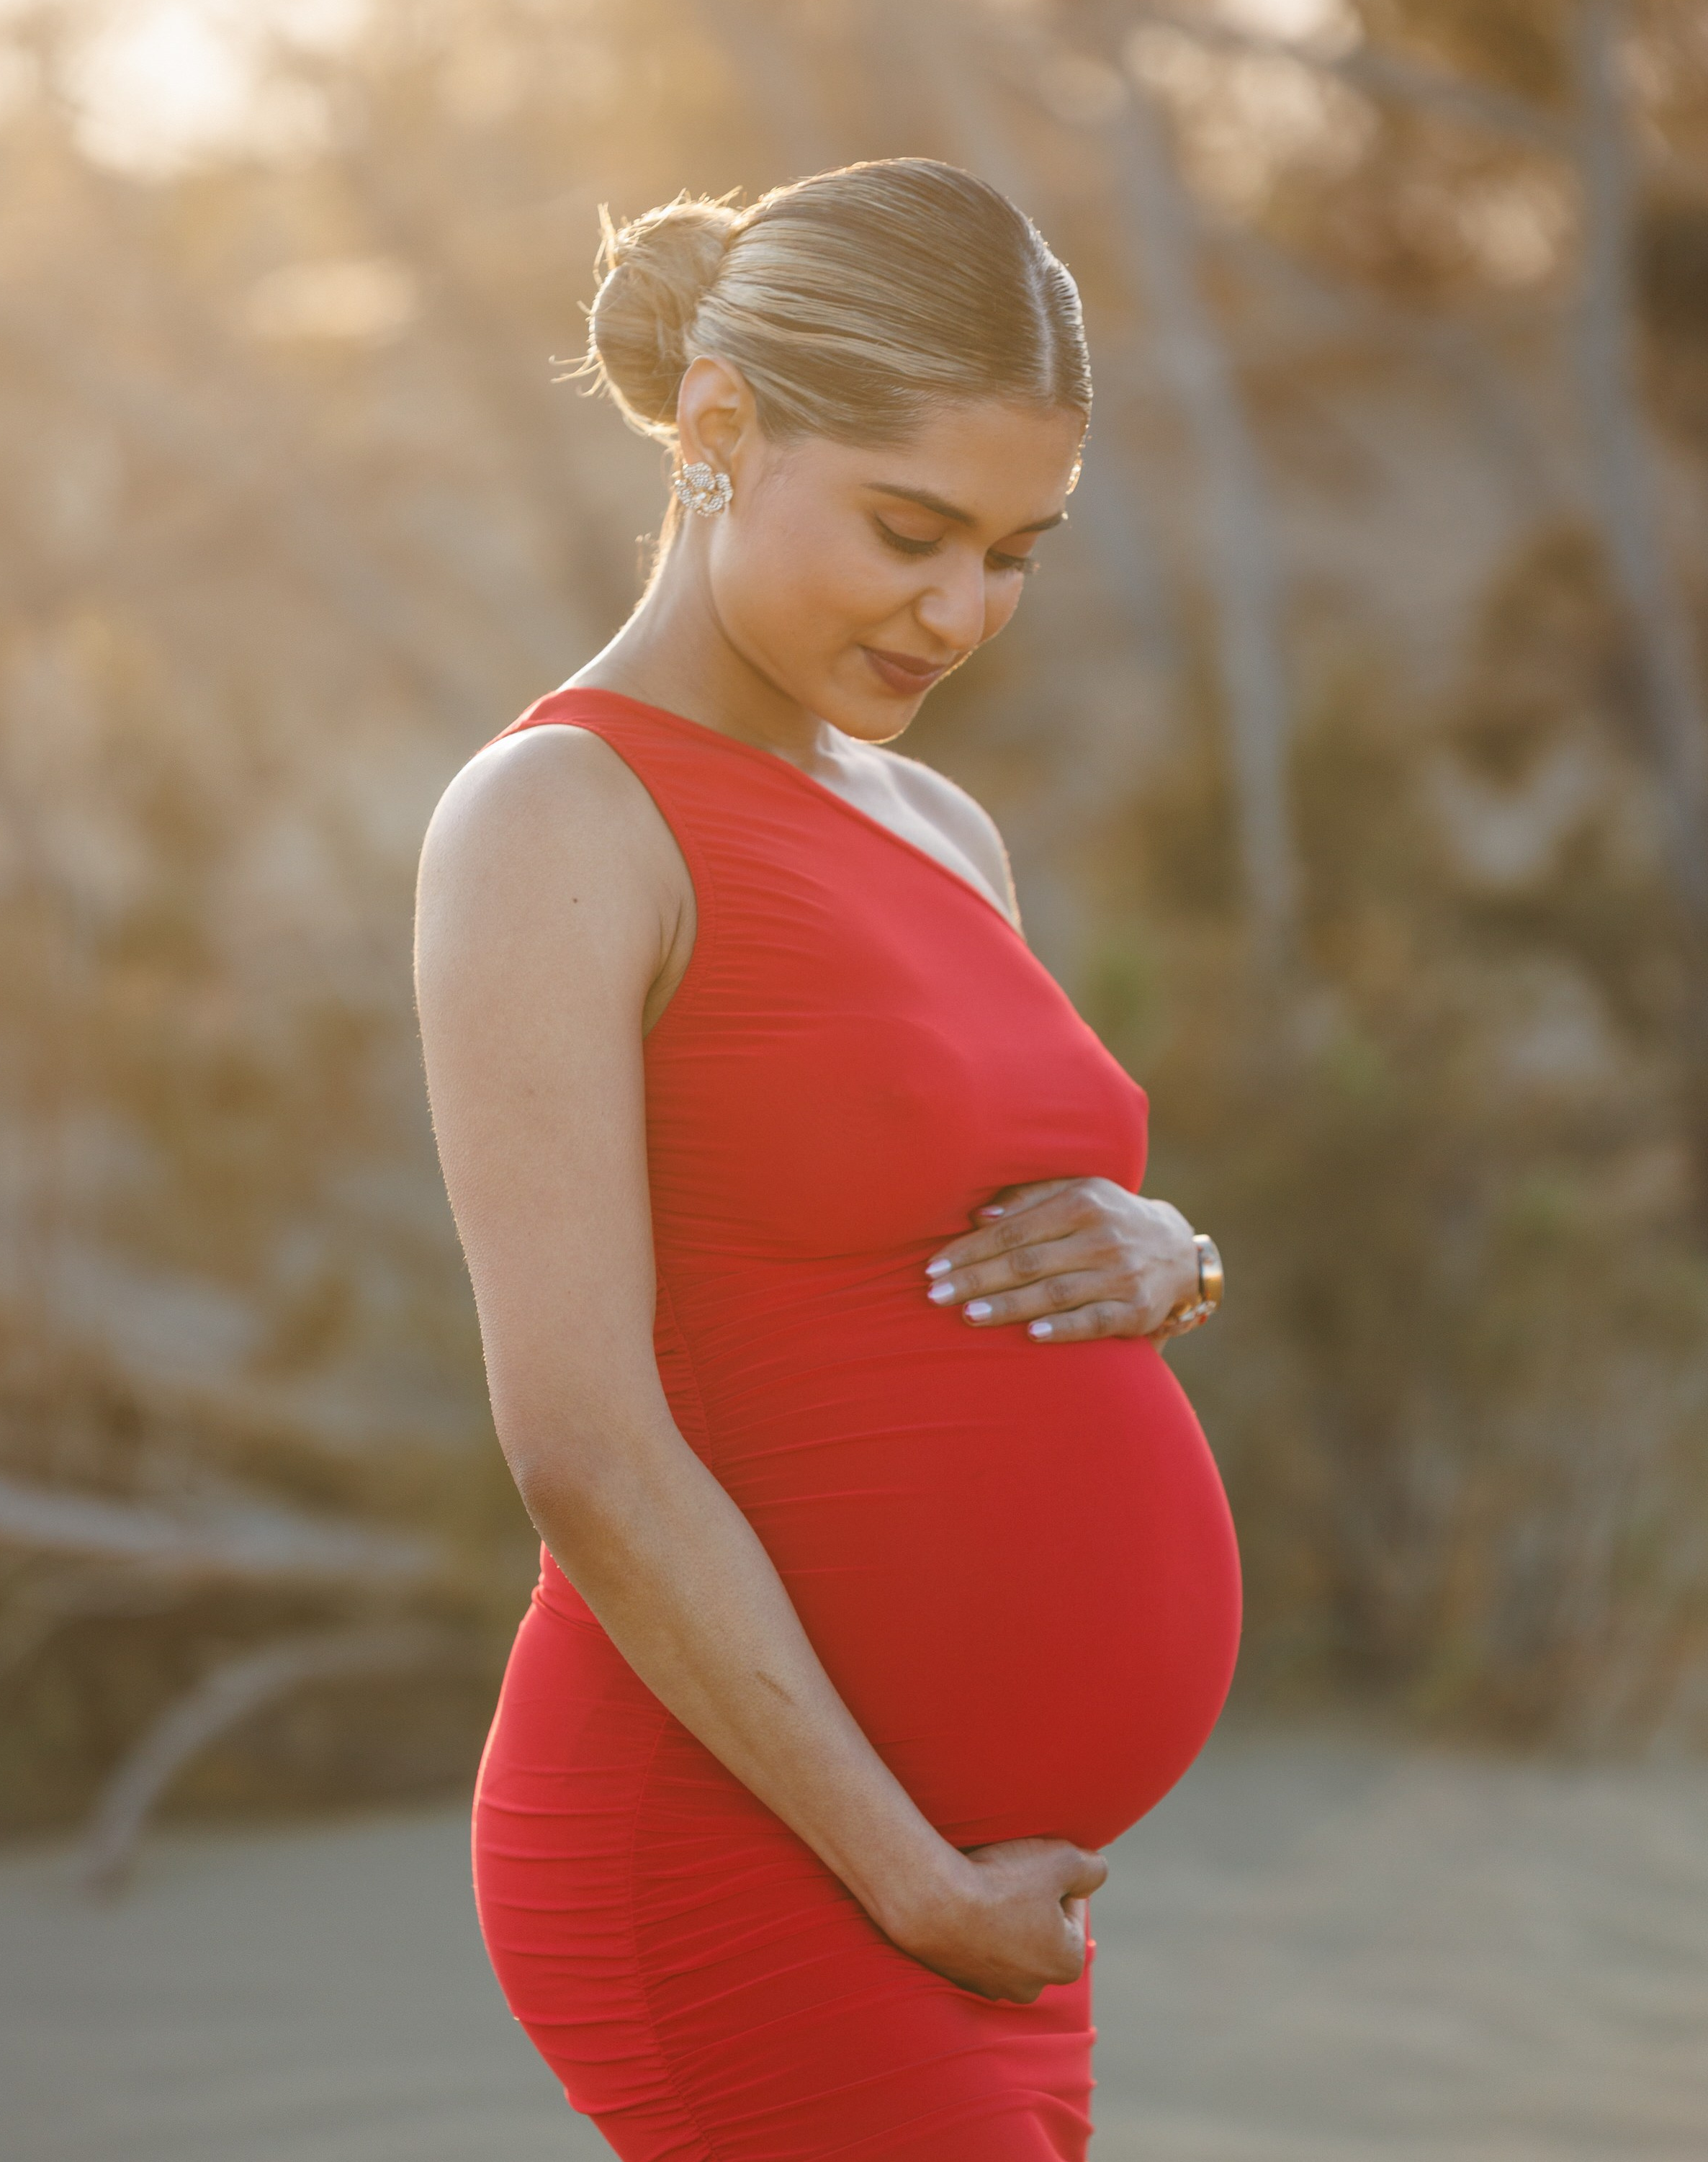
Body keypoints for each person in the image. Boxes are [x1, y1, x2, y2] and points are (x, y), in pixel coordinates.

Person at [414, 158, 1240, 2162]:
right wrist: (909, 1881)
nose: (961, 613)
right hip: (760, 1856)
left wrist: (1166, 1251)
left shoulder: (942, 825)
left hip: (980, 1889)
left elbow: (938, 1242)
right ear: (718, 428)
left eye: (1013, 553)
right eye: (909, 531)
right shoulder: (557, 818)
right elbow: (583, 1446)